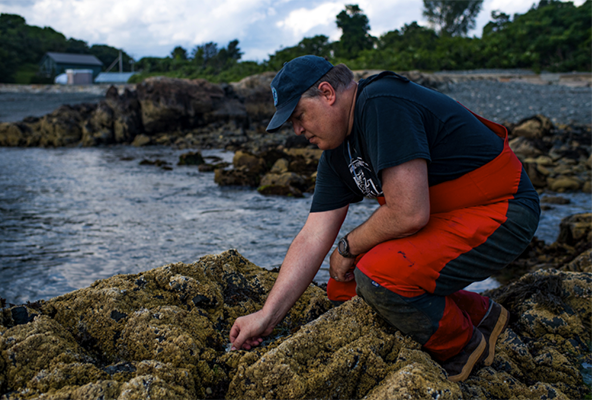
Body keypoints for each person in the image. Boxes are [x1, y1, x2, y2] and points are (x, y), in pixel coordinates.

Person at [229, 55, 540, 382]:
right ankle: (481, 314)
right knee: (342, 285)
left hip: (503, 210)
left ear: (327, 93)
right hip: (443, 217)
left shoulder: (381, 102)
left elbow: (408, 212)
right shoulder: (337, 153)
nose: (297, 130)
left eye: (298, 115)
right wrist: (267, 315)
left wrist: (347, 246)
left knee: (378, 275)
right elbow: (312, 236)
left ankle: (463, 349)